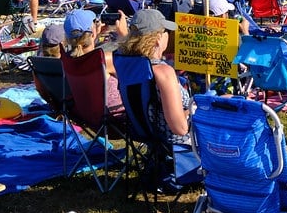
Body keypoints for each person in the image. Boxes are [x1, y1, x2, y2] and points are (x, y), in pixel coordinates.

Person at [116, 9, 193, 144]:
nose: (168, 35)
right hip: (177, 145)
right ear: (158, 38)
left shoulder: (127, 64)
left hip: (147, 138)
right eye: (166, 32)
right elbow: (180, 128)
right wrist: (196, 109)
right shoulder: (163, 72)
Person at [64, 9, 128, 109]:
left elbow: (82, 48)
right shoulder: (104, 60)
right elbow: (135, 64)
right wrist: (124, 35)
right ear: (92, 33)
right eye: (94, 22)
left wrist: (95, 35)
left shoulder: (67, 60)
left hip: (87, 115)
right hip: (114, 117)